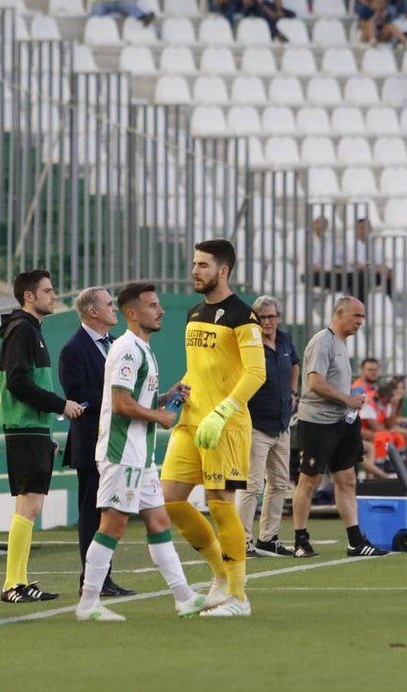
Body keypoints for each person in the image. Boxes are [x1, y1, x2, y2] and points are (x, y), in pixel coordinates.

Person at [75, 283, 214, 621]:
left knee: (158, 520)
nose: (161, 310)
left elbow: (134, 398)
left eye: (159, 304)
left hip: (141, 455)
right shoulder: (126, 349)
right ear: (132, 313)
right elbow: (121, 405)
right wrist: (161, 416)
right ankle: (88, 603)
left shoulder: (142, 349)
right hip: (122, 453)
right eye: (153, 305)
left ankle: (183, 597)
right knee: (113, 525)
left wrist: (166, 397)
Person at [161, 239, 267, 618]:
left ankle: (238, 596)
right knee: (170, 499)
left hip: (225, 425)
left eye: (203, 265)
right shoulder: (193, 312)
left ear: (223, 271)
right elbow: (199, 369)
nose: (195, 271)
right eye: (194, 263)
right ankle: (221, 576)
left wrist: (223, 411)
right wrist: (178, 395)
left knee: (221, 505)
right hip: (191, 422)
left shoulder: (243, 316)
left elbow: (257, 372)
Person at [0, 269, 85, 604]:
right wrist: (61, 405)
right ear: (28, 297)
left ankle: (18, 580)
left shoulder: (30, 330)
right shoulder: (22, 331)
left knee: (28, 506)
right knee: (30, 506)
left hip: (33, 428)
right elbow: (17, 382)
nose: (53, 295)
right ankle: (12, 584)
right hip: (25, 428)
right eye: (47, 291)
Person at [290, 296, 389, 559]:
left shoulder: (341, 343)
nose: (360, 322)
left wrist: (349, 404)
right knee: (308, 480)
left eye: (363, 317)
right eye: (356, 316)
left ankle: (355, 541)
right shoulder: (323, 341)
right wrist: (349, 399)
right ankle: (301, 540)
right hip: (318, 422)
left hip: (342, 421)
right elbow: (315, 383)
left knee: (347, 480)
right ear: (340, 313)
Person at [58, 287, 135, 598]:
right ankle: (92, 581)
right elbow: (77, 396)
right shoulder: (73, 349)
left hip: (115, 443)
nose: (114, 308)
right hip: (91, 444)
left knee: (108, 512)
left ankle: (104, 577)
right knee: (92, 513)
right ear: (92, 312)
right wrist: (118, 401)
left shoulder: (114, 344)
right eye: (108, 304)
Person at [234, 296, 299, 558]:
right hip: (256, 422)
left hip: (282, 423)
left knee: (280, 482)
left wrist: (294, 392)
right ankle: (242, 540)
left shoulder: (284, 340)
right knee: (251, 485)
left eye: (272, 317)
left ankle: (268, 537)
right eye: (263, 318)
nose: (268, 322)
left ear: (279, 318)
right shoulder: (249, 342)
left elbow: (295, 363)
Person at [89, 0, 155, 27]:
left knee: (128, 4)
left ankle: (143, 17)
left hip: (119, 3)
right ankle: (93, 27)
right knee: (97, 7)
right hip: (103, 3)